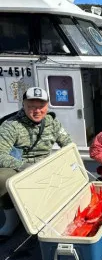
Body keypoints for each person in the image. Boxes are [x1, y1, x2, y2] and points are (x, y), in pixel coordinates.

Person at [0, 87, 72, 237]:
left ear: (47, 106)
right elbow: (1, 154)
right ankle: (12, 220)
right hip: (21, 168)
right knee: (2, 178)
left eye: (41, 106)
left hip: (46, 164)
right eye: (31, 106)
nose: (37, 111)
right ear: (24, 105)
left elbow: (68, 144)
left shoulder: (52, 122)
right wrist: (25, 167)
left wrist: (71, 163)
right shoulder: (11, 125)